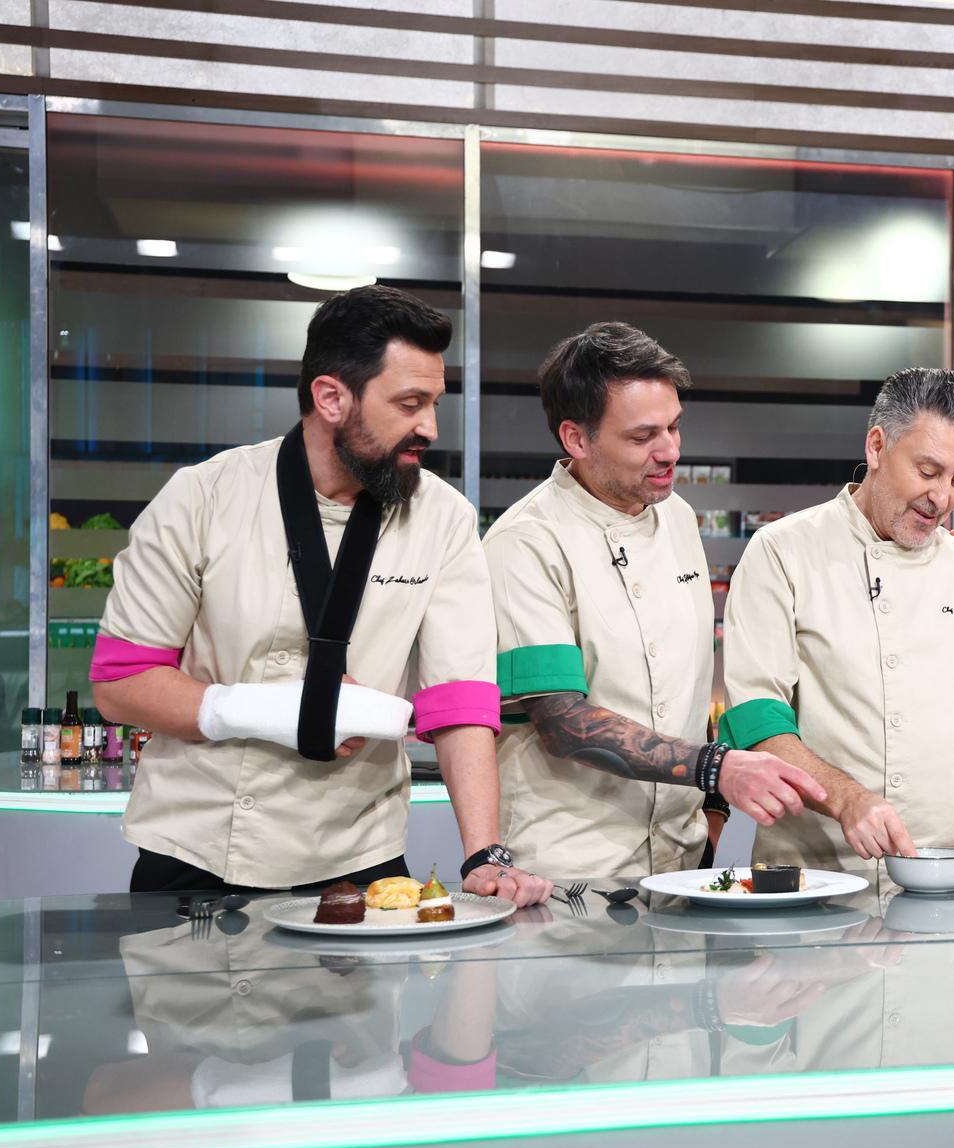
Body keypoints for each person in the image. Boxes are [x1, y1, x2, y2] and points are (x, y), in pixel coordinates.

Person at [92, 284, 550, 904]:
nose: (430, 427)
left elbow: (459, 701)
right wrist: (280, 710)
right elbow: (121, 683)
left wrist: (485, 854)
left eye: (434, 403)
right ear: (331, 397)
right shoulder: (202, 497)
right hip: (194, 850)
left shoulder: (443, 517)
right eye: (409, 403)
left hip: (357, 856)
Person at [482, 322, 823, 880]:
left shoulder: (679, 517)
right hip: (570, 867)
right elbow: (562, 721)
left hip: (682, 858)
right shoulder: (525, 542)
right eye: (643, 437)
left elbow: (689, 688)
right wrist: (717, 769)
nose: (671, 451)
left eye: (674, 426)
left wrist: (712, 815)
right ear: (576, 439)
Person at [720, 368, 954, 885]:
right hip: (813, 876)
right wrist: (847, 799)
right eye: (928, 471)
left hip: (949, 877)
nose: (942, 498)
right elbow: (757, 716)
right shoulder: (783, 551)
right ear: (876, 447)